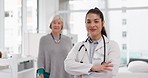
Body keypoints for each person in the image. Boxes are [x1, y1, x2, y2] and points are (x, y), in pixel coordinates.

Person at [64, 7, 120, 78]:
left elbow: (110, 72)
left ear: (102, 23)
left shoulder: (112, 45)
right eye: (89, 22)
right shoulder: (79, 46)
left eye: (96, 21)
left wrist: (83, 75)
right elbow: (67, 65)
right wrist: (92, 67)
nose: (92, 25)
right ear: (85, 24)